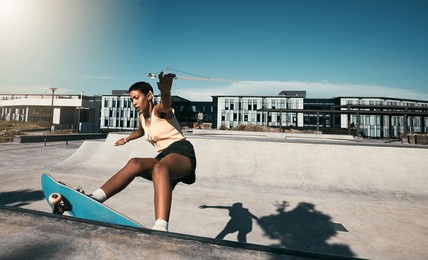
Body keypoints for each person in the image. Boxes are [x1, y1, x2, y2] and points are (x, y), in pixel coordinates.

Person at [89, 72, 197, 232]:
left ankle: (161, 226)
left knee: (160, 167)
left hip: (181, 152)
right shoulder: (142, 117)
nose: (133, 102)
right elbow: (140, 132)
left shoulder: (159, 111)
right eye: (131, 99)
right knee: (135, 163)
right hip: (163, 156)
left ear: (149, 96)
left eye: (136, 98)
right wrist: (125, 140)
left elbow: (165, 105)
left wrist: (166, 91)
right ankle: (96, 197)